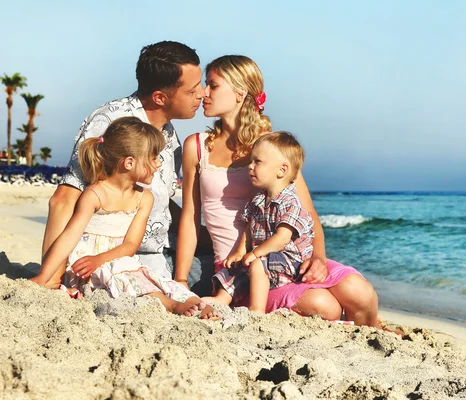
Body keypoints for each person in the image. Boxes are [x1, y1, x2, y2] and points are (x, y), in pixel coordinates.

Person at [175, 55, 379, 326]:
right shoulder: (196, 146)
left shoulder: (271, 148)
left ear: (239, 93)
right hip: (244, 270)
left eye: (212, 85)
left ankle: (373, 332)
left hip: (290, 257)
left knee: (360, 291)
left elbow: (306, 211)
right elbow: (190, 218)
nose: (203, 93)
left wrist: (317, 257)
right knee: (324, 306)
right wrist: (179, 280)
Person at [40, 41, 211, 291]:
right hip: (115, 262)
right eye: (192, 89)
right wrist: (52, 282)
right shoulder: (113, 123)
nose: (203, 93)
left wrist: (207, 238)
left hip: (161, 252)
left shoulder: (170, 134)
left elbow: (158, 204)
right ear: (160, 97)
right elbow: (64, 199)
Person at [31, 117, 215, 318]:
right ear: (129, 163)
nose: (158, 163)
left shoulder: (144, 198)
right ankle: (170, 305)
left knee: (153, 278)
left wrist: (102, 259)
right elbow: (68, 237)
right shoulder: (95, 194)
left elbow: (130, 245)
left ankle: (194, 302)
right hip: (89, 267)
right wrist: (44, 276)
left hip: (121, 259)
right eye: (153, 158)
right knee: (122, 272)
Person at [210, 131, 314, 313]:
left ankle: (256, 310)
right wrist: (240, 252)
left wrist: (255, 253)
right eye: (251, 161)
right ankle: (220, 301)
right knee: (236, 267)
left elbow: (282, 238)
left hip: (290, 262)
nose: (250, 167)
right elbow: (249, 229)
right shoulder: (257, 200)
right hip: (265, 258)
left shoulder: (291, 203)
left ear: (282, 170)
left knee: (257, 263)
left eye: (257, 162)